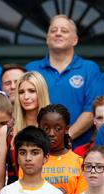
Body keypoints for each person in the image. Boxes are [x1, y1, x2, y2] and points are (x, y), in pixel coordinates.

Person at [26, 14, 104, 149]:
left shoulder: (90, 69)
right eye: (53, 30)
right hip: (37, 149)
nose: (58, 33)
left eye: (64, 30)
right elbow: (23, 110)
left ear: (75, 39)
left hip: (78, 149)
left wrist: (65, 138)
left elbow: (91, 111)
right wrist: (42, 141)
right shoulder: (31, 69)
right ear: (47, 38)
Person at [0, 71, 50, 193]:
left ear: (41, 93)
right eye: (21, 92)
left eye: (31, 91)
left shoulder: (52, 130)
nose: (26, 97)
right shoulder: (6, 132)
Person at [36, 104, 87, 194]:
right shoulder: (31, 161)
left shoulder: (79, 162)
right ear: (39, 128)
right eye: (46, 128)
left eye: (57, 129)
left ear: (66, 129)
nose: (51, 133)